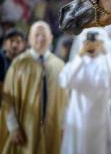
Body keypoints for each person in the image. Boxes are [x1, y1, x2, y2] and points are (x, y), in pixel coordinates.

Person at [0, 21, 68, 154]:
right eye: (36, 35)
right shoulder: (18, 64)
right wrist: (13, 127)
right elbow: (8, 99)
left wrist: (64, 127)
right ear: (30, 39)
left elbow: (65, 101)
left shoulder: (60, 66)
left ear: (51, 38)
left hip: (52, 129)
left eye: (44, 35)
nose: (40, 38)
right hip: (25, 128)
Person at [59, 28, 111, 154]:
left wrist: (105, 51)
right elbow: (65, 81)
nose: (91, 45)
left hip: (100, 120)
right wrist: (80, 54)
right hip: (77, 119)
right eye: (88, 41)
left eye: (95, 41)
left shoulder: (105, 63)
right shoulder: (77, 62)